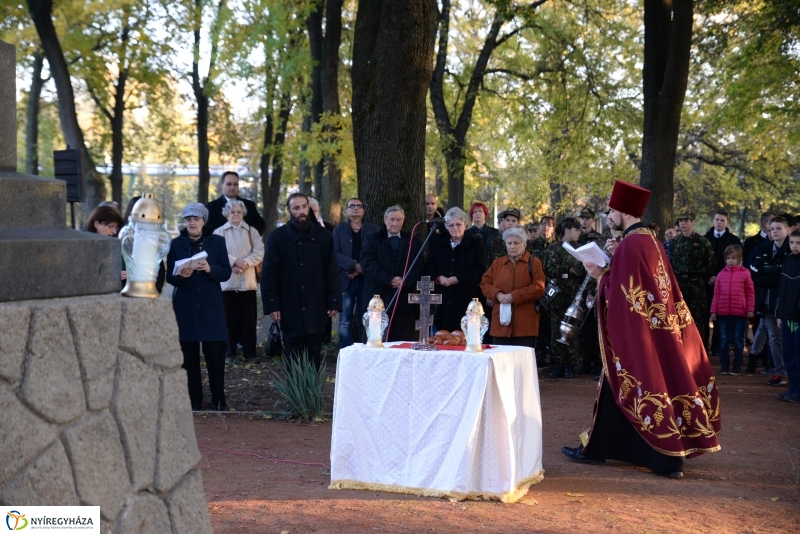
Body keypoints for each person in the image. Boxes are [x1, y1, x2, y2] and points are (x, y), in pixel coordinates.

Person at [562, 180, 720, 479]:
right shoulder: (649, 240)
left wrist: (599, 274)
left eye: (612, 210)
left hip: (641, 334)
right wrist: (611, 263)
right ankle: (600, 447)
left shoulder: (631, 245)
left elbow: (620, 295)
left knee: (642, 383)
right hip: (658, 328)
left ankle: (665, 459)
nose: (608, 215)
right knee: (618, 383)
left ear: (624, 211)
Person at [261, 193, 341, 371]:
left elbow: (331, 270)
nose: (301, 211)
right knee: (293, 357)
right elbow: (269, 274)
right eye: (296, 208)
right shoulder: (277, 237)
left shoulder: (324, 236)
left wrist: (334, 300)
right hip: (289, 306)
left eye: (304, 206)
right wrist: (272, 305)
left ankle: (312, 398)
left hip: (316, 305)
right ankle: (295, 398)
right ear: (289, 210)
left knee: (314, 357)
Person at [166, 203, 232, 411]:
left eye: (196, 219)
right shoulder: (176, 244)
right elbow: (170, 277)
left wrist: (210, 268)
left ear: (204, 221)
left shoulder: (217, 242)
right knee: (189, 356)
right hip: (185, 306)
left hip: (211, 305)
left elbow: (226, 272)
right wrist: (182, 277)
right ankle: (194, 400)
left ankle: (219, 399)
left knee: (215, 353)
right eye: (188, 219)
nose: (192, 222)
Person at [361, 206, 423, 341]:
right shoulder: (372, 239)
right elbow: (368, 265)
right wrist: (389, 279)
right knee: (373, 338)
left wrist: (405, 281)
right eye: (392, 219)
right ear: (385, 220)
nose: (395, 223)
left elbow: (418, 266)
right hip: (376, 296)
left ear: (403, 221)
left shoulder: (412, 241)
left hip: (401, 297)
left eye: (398, 220)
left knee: (396, 339)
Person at [213, 200, 264, 362]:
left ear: (243, 214)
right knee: (228, 320)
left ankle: (250, 353)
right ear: (226, 214)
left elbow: (259, 252)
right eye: (232, 212)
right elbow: (216, 253)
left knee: (249, 321)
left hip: (247, 283)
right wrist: (235, 261)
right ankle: (229, 353)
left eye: (239, 212)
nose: (236, 214)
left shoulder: (252, 231)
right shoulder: (218, 232)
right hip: (227, 284)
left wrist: (244, 264)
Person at [480, 227, 545, 347]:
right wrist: (497, 294)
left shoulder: (534, 263)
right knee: (501, 361)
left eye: (516, 243)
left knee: (521, 362)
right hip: (500, 325)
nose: (512, 246)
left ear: (524, 244)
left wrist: (513, 297)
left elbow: (538, 287)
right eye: (509, 243)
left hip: (524, 326)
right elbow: (484, 283)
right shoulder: (498, 263)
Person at [426, 207, 487, 331]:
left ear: (465, 225)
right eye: (451, 225)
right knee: (442, 337)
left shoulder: (475, 243)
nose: (455, 228)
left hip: (466, 299)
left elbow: (480, 270)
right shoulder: (439, 243)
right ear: (446, 227)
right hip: (442, 300)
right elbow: (429, 266)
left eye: (458, 224)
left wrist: (458, 279)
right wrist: (439, 277)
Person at [749, 216, 791, 385]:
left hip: (787, 302)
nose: (774, 231)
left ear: (788, 230)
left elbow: (785, 277)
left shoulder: (792, 249)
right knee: (773, 337)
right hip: (767, 301)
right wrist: (773, 274)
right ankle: (779, 373)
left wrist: (765, 272)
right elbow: (755, 274)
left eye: (779, 228)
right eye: (772, 229)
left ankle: (790, 372)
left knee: (787, 337)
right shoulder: (763, 248)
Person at [544, 217, 588, 378]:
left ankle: (572, 364)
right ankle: (558, 364)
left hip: (575, 292)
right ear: (567, 230)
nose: (579, 233)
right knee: (556, 329)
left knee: (573, 328)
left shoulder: (581, 250)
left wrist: (586, 295)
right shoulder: (552, 249)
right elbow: (545, 272)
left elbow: (587, 275)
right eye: (576, 230)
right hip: (557, 293)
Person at [333, 198, 379, 349]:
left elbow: (376, 254)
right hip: (346, 280)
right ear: (346, 211)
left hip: (367, 280)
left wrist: (360, 269)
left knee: (366, 317)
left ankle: (367, 350)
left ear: (364, 210)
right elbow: (335, 253)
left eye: (359, 206)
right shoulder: (339, 230)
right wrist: (353, 266)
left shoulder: (374, 229)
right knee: (345, 320)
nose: (355, 209)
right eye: (351, 206)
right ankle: (346, 352)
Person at [668, 210, 715, 350]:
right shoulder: (674, 242)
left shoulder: (703, 242)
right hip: (678, 283)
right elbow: (670, 263)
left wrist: (708, 277)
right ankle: (681, 350)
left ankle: (700, 350)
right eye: (681, 221)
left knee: (698, 318)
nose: (683, 223)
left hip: (696, 283)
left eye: (686, 221)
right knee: (678, 315)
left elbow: (710, 263)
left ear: (693, 222)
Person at [710, 245, 754, 375]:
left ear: (739, 259)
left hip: (740, 312)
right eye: (728, 258)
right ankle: (724, 364)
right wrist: (713, 311)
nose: (730, 260)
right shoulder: (721, 274)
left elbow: (750, 293)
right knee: (723, 339)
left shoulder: (745, 273)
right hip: (723, 312)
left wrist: (750, 309)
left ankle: (737, 364)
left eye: (733, 258)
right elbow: (716, 294)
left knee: (738, 339)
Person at [704, 208, 741, 355]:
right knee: (706, 314)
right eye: (717, 220)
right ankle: (704, 346)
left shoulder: (733, 240)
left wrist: (719, 277)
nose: (719, 223)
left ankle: (718, 347)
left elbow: (736, 262)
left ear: (727, 222)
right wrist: (709, 276)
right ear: (713, 221)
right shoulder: (705, 238)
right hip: (707, 283)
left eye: (722, 220)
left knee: (722, 316)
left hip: (726, 284)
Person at [776, 230, 800, 403]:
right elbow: (781, 290)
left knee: (799, 354)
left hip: (798, 317)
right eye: (792, 243)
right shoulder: (788, 260)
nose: (795, 246)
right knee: (789, 353)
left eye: (798, 243)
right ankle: (792, 387)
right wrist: (779, 314)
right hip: (786, 316)